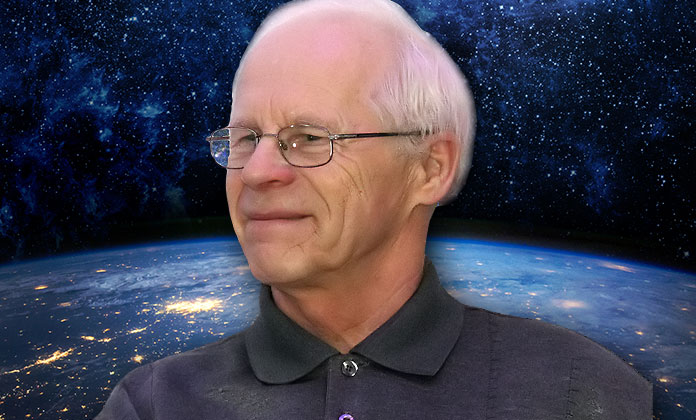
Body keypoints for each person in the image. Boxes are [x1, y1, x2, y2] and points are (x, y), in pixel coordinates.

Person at [96, 0, 651, 418]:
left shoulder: (581, 394)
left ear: (430, 168)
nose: (257, 172)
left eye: (309, 137)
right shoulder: (153, 406)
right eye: (244, 138)